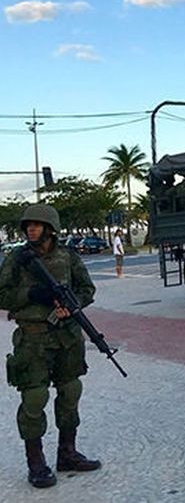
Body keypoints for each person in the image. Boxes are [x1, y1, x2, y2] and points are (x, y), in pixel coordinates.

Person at [0, 204, 101, 489]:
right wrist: (31, 293)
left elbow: (86, 289)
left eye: (36, 224)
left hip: (67, 337)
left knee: (70, 391)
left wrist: (73, 307)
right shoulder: (16, 259)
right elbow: (1, 294)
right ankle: (36, 463)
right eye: (27, 225)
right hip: (32, 338)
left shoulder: (67, 256)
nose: (30, 228)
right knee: (34, 398)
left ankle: (67, 454)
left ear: (50, 228)